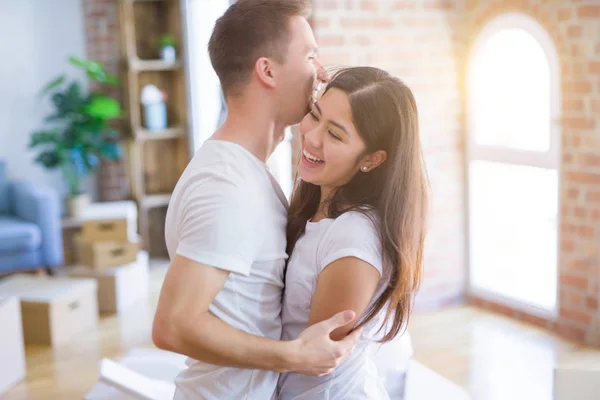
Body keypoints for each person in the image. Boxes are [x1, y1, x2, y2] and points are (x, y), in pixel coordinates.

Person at [151, 1, 362, 399]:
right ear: (267, 70)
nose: (320, 73)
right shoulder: (227, 185)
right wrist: (295, 356)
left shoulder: (248, 170)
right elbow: (173, 326)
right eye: (310, 55)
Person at [277, 66, 430, 399]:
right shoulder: (317, 205)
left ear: (371, 160)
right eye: (314, 115)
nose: (312, 136)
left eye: (335, 134)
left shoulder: (355, 235)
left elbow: (316, 358)